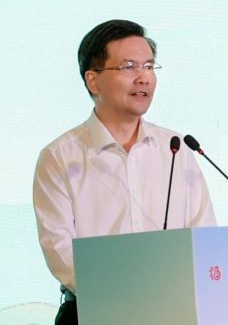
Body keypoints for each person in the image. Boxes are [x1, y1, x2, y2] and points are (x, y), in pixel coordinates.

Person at [33, 20, 216, 325]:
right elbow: (59, 249)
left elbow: (204, 234)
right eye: (129, 67)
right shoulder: (60, 157)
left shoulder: (177, 148)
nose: (143, 77)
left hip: (174, 311)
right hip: (95, 310)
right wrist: (123, 294)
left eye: (149, 66)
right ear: (93, 81)